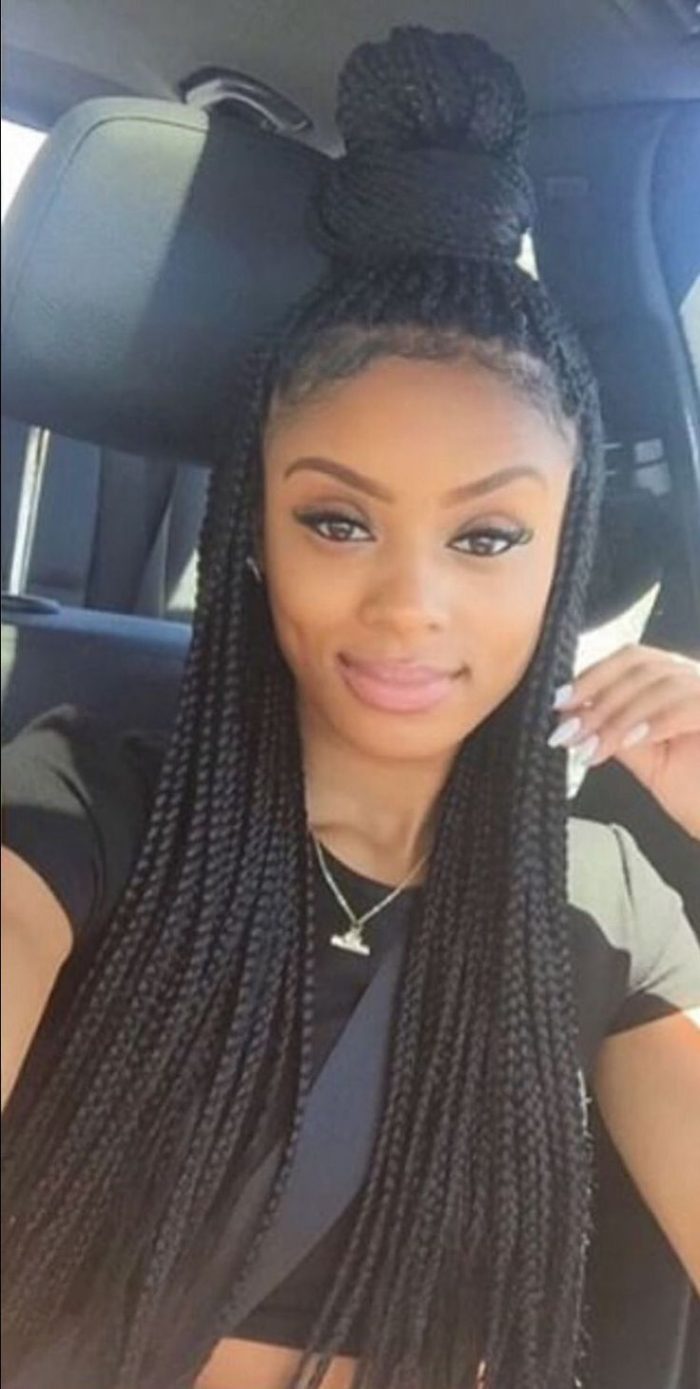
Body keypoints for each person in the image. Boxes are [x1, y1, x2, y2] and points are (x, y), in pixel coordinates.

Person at [1, 24, 699, 1389]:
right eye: (336, 520)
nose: (408, 608)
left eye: (487, 537)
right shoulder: (88, 807)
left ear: (563, 560)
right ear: (256, 532)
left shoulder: (605, 906)